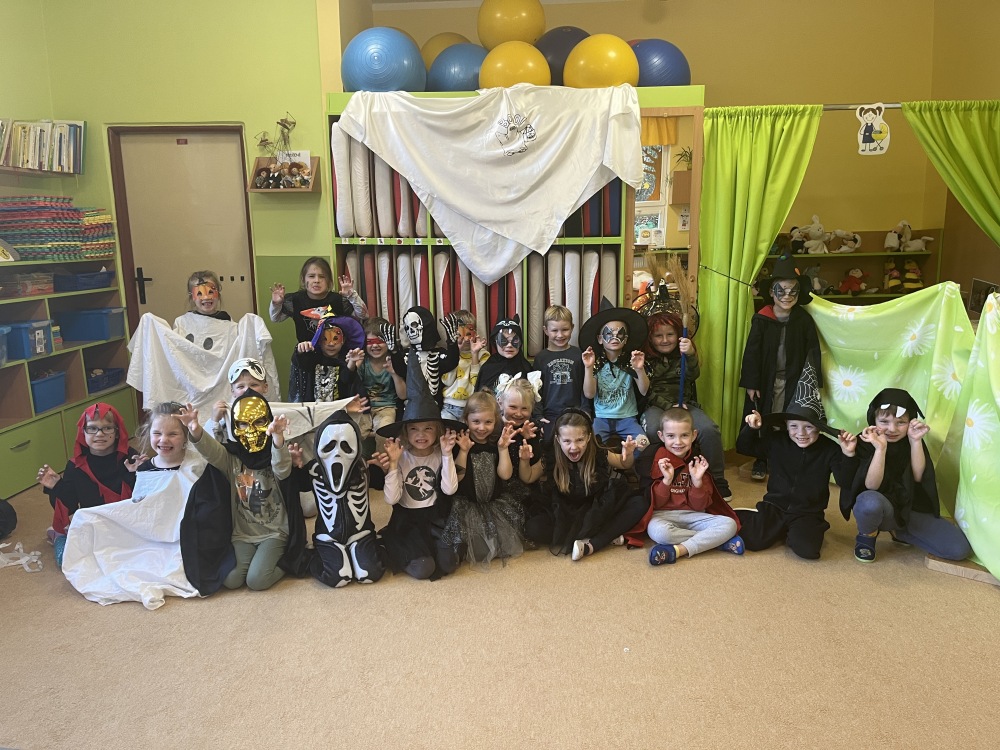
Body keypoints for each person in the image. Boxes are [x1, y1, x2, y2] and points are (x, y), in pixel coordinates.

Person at [182, 390, 308, 591]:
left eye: (259, 422)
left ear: (267, 422)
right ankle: (264, 560)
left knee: (256, 581)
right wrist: (195, 429)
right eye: (242, 424)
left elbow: (282, 467)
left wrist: (278, 438)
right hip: (242, 534)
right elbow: (211, 452)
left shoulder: (274, 458)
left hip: (274, 533)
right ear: (234, 427)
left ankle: (288, 563)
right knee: (231, 580)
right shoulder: (231, 459)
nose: (250, 430)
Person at [735, 363, 858, 560]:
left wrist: (848, 454)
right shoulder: (778, 441)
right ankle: (766, 522)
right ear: (786, 425)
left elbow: (846, 481)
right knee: (753, 540)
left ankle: (794, 530)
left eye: (808, 427)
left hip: (808, 512)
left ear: (819, 428)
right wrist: (751, 429)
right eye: (794, 426)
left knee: (807, 550)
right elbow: (744, 447)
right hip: (774, 506)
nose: (801, 433)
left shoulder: (830, 449)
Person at [840, 388, 971, 563]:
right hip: (881, 507)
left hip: (910, 509)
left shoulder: (911, 439)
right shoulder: (865, 441)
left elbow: (918, 477)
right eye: (884, 421)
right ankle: (867, 534)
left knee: (959, 549)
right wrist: (880, 449)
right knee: (869, 502)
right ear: (873, 420)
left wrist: (915, 441)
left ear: (910, 422)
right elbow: (872, 485)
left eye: (901, 422)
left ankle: (900, 531)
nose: (892, 429)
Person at [372, 358, 465, 580]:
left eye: (428, 429)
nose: (421, 435)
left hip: (436, 518)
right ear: (405, 432)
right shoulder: (401, 456)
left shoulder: (440, 453)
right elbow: (392, 499)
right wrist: (393, 464)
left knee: (448, 564)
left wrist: (446, 455)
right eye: (414, 429)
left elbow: (450, 489)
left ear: (438, 431)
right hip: (408, 522)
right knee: (424, 569)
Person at [739, 254, 822, 480]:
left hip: (795, 380)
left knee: (790, 418)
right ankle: (761, 458)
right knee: (763, 417)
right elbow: (752, 353)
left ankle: (786, 459)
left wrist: (812, 382)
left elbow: (813, 351)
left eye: (793, 291)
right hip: (767, 380)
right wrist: (751, 383)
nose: (787, 296)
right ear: (771, 291)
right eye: (781, 290)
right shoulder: (762, 318)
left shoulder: (803, 320)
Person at [526, 409, 648, 561]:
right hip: (565, 512)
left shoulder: (597, 452)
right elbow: (528, 477)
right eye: (567, 441)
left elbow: (624, 464)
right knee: (533, 528)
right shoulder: (551, 456)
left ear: (589, 437)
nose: (574, 447)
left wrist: (628, 454)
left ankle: (595, 543)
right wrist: (524, 460)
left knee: (639, 503)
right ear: (558, 439)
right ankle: (605, 535)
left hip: (597, 507)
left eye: (580, 440)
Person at [36, 403, 140, 567]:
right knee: (70, 561)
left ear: (117, 432)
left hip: (128, 524)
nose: (99, 434)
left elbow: (144, 497)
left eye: (107, 428)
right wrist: (56, 486)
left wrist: (139, 473)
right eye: (92, 428)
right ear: (83, 432)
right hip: (94, 526)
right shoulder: (76, 466)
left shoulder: (131, 458)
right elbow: (69, 506)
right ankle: (59, 537)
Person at [636, 407, 743, 566]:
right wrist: (666, 481)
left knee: (729, 524)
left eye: (684, 435)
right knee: (660, 533)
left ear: (694, 435)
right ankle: (716, 542)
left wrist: (697, 482)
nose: (678, 442)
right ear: (661, 436)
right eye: (671, 436)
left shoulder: (698, 461)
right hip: (663, 515)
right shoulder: (655, 459)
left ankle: (678, 550)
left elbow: (700, 505)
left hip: (694, 514)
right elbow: (655, 503)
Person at [640, 311, 730, 497]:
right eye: (658, 335)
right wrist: (669, 407)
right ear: (650, 338)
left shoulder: (683, 354)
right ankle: (660, 477)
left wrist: (690, 355)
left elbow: (693, 375)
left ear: (678, 335)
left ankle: (718, 480)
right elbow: (645, 392)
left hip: (685, 404)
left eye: (670, 334)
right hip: (656, 406)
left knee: (709, 430)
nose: (665, 340)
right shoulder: (644, 359)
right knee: (654, 429)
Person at [441, 392, 527, 569]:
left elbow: (505, 475)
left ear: (495, 421)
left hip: (493, 504)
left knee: (504, 545)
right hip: (467, 505)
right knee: (477, 551)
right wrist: (463, 452)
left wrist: (503, 449)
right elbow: (458, 478)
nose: (482, 428)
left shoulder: (496, 443)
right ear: (466, 420)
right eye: (476, 421)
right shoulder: (460, 444)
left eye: (488, 422)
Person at [580, 298, 650, 451]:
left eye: (620, 333)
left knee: (643, 444)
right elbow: (589, 394)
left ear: (626, 339)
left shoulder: (630, 361)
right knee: (590, 447)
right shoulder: (597, 362)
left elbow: (644, 390)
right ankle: (608, 465)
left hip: (628, 418)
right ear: (600, 339)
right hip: (602, 418)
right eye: (608, 333)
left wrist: (639, 369)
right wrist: (588, 368)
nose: (614, 337)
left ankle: (627, 463)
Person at [269, 257, 367, 347]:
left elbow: (364, 315)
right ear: (303, 279)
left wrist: (352, 296)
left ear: (329, 281)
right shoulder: (295, 299)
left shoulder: (338, 300)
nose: (317, 280)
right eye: (311, 276)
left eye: (322, 276)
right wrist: (276, 304)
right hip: (306, 352)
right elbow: (275, 318)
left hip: (334, 353)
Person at [349, 317, 406, 455]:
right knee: (353, 432)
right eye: (370, 342)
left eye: (380, 341)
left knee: (384, 432)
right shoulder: (363, 362)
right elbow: (348, 386)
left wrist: (394, 373)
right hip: (363, 408)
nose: (375, 346)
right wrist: (353, 366)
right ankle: (357, 463)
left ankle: (382, 464)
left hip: (387, 408)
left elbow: (403, 395)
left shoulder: (394, 361)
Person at [288, 310, 366, 404]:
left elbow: (346, 378)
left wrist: (352, 363)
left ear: (343, 340)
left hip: (338, 409)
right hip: (314, 409)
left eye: (336, 339)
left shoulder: (344, 360)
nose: (331, 344)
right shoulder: (313, 360)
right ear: (319, 341)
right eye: (325, 339)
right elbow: (300, 362)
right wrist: (300, 350)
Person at [533, 305, 585, 442]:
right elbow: (536, 390)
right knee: (548, 442)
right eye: (554, 330)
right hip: (550, 414)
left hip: (575, 413)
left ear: (572, 328)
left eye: (565, 330)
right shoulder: (541, 358)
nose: (560, 335)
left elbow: (584, 387)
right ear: (546, 330)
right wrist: (538, 416)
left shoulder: (578, 355)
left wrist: (586, 412)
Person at [476, 314, 540, 403]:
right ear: (495, 342)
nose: (509, 345)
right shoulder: (488, 368)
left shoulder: (525, 368)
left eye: (515, 340)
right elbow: (480, 400)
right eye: (503, 341)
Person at [440, 309, 489, 421]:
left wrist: (474, 354)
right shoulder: (446, 355)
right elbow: (447, 381)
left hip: (472, 407)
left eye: (469, 334)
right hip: (449, 406)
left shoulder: (483, 355)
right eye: (459, 334)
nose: (466, 339)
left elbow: (476, 384)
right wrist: (455, 354)